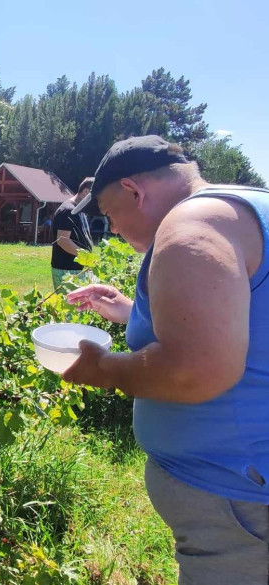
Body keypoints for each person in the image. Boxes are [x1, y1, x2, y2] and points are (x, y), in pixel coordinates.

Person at [64, 135, 269, 584]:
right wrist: (130, 312)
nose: (113, 228)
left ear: (134, 192)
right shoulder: (247, 206)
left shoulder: (191, 227)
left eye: (110, 213)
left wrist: (102, 369)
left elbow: (196, 368)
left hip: (238, 502)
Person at [50, 177, 94, 289]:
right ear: (86, 192)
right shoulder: (68, 210)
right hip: (67, 270)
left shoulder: (79, 209)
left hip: (77, 269)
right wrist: (86, 257)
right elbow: (63, 241)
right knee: (68, 305)